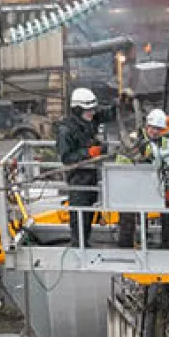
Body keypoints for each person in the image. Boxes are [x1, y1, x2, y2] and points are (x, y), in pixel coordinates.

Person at [118, 108, 169, 249]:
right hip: (133, 185)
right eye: (153, 128)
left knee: (168, 211)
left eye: (159, 129)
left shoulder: (164, 142)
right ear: (147, 126)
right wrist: (139, 162)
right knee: (129, 214)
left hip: (154, 185)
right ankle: (126, 244)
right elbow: (121, 161)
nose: (156, 132)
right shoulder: (133, 139)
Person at [56, 87, 104, 248]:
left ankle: (85, 242)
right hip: (78, 179)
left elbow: (106, 114)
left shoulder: (88, 122)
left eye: (92, 109)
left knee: (88, 212)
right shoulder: (66, 130)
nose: (91, 113)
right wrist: (88, 153)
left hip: (90, 176)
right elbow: (66, 158)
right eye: (87, 110)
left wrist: (121, 102)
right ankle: (79, 245)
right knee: (79, 214)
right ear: (77, 110)